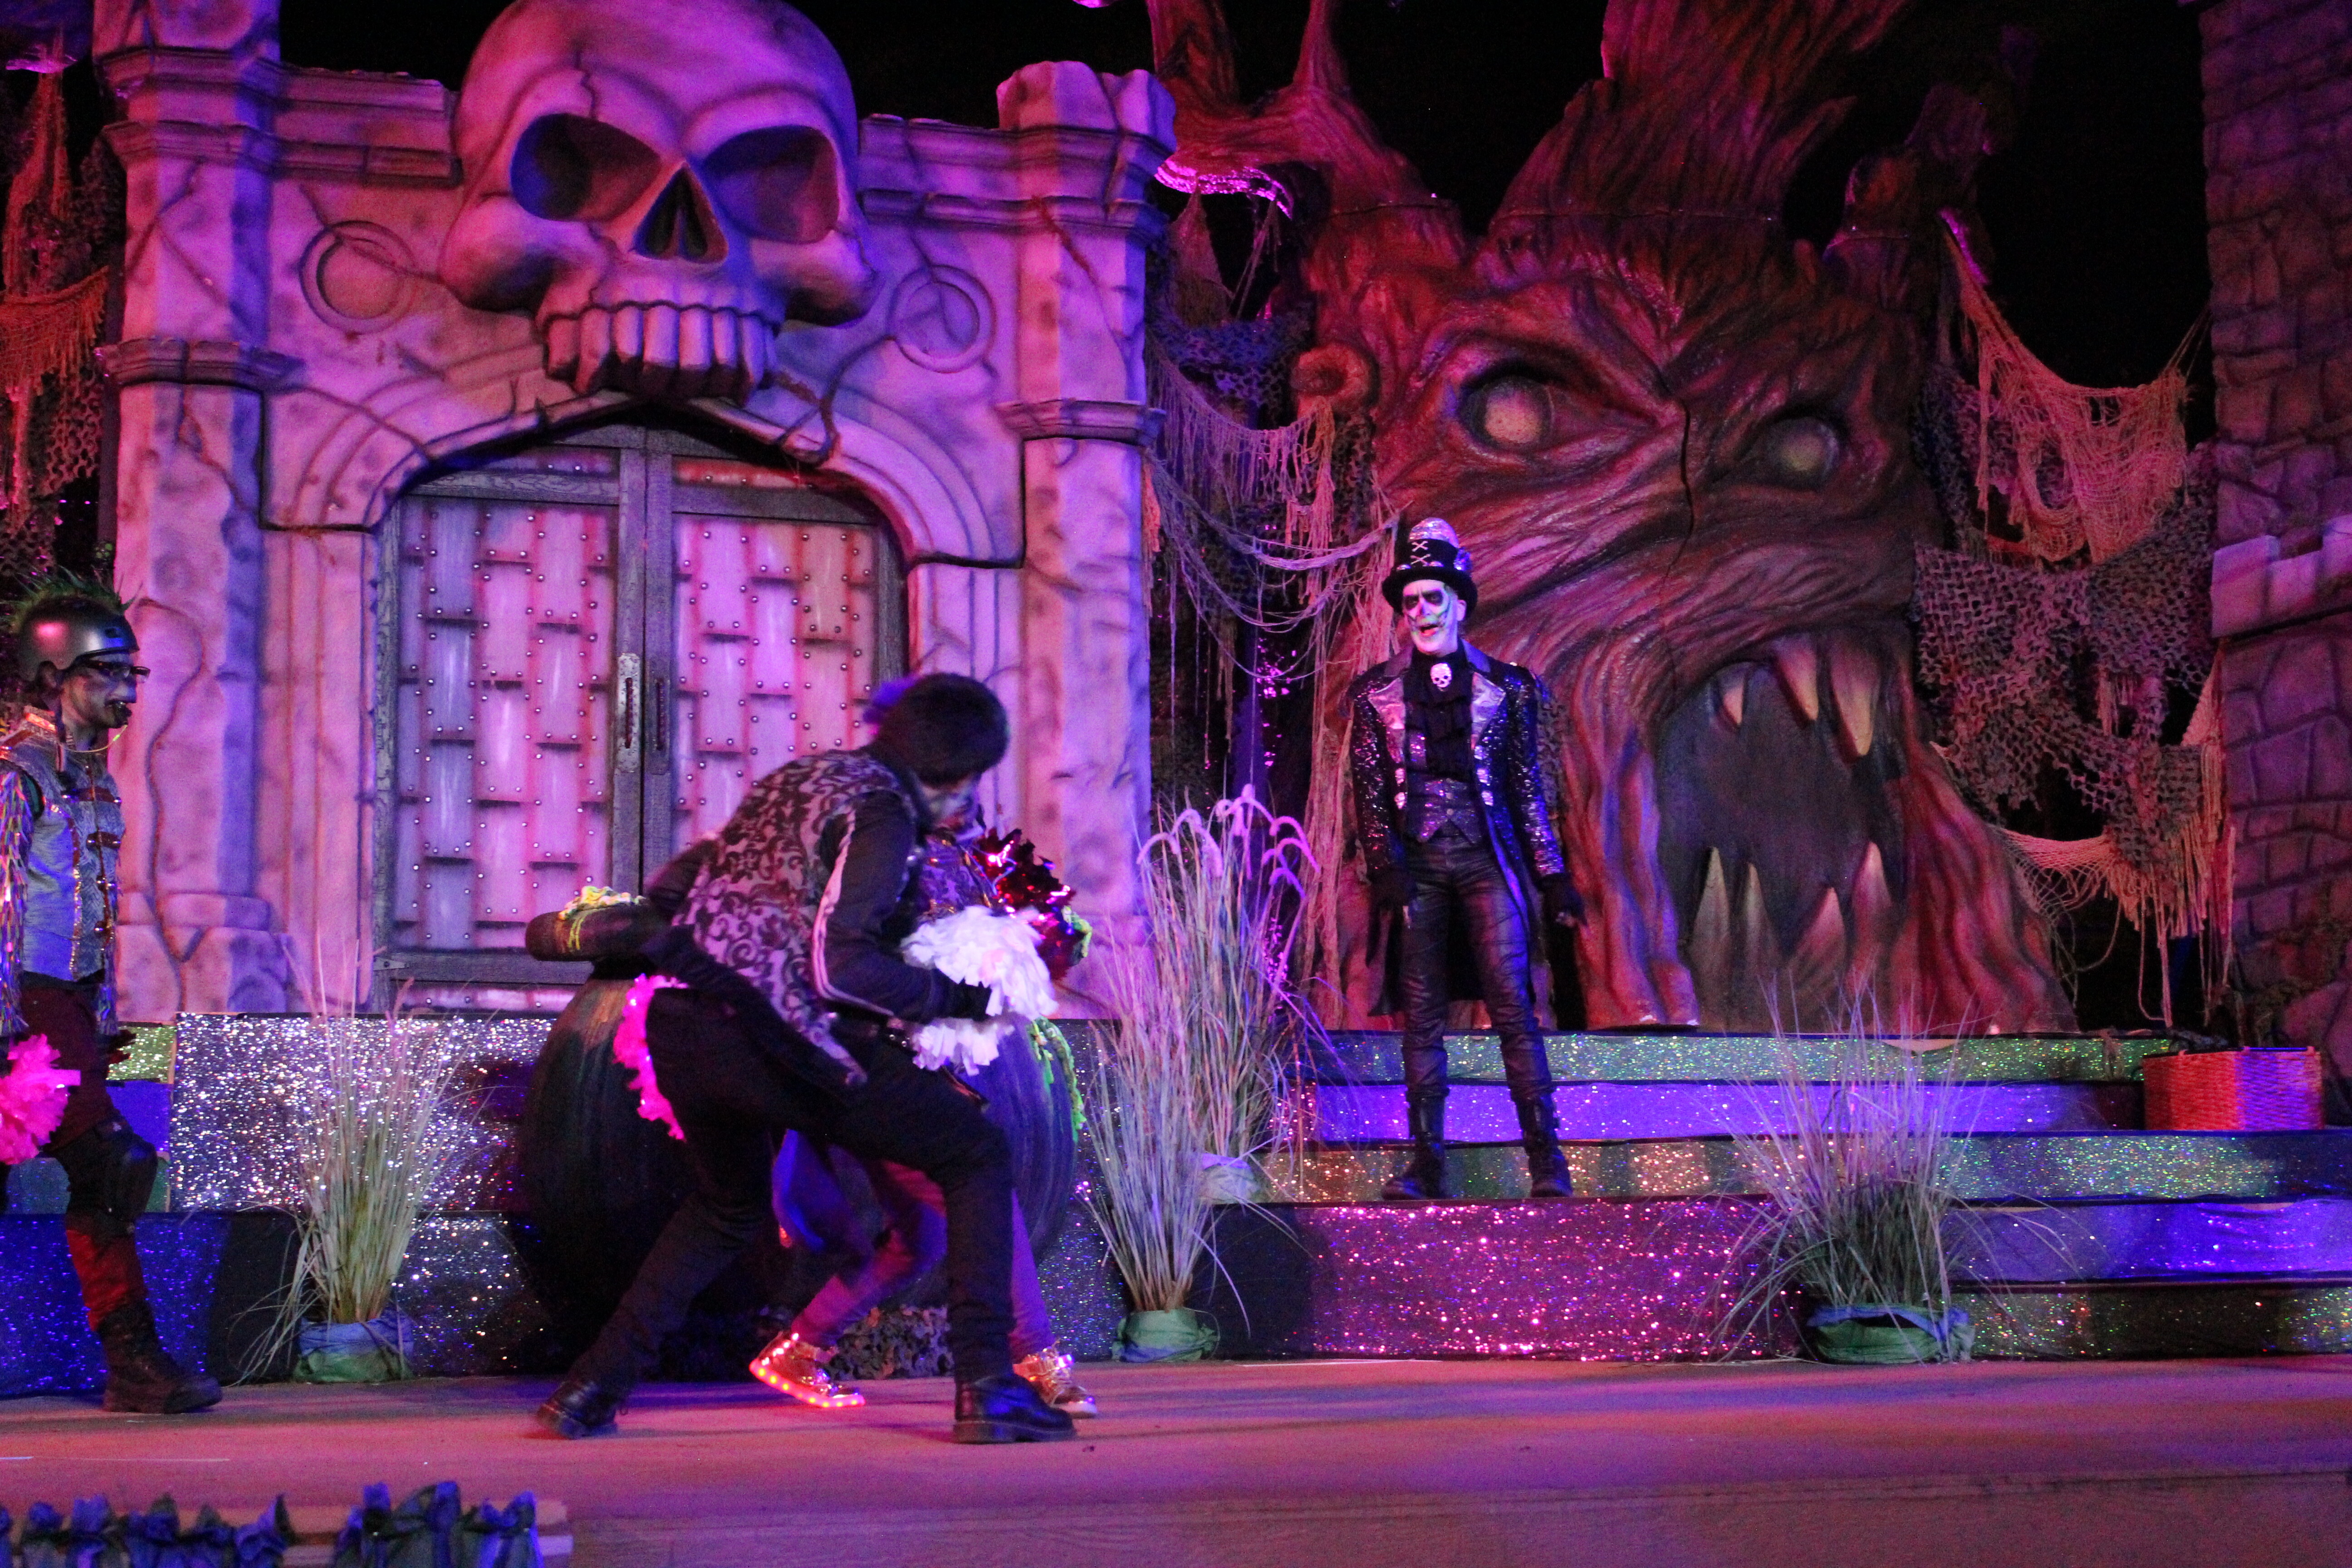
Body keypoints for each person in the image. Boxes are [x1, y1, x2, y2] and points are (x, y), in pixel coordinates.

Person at [535, 673, 1073, 1444]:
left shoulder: (802, 778)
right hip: (783, 1037)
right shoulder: (885, 811)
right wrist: (965, 998)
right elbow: (841, 970)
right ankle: (988, 1389)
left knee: (726, 1208)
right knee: (976, 1155)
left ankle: (588, 1390)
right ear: (957, 777)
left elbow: (678, 885)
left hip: (685, 1024)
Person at [752, 785, 1093, 1418]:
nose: (964, 792)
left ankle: (800, 1348)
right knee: (985, 1188)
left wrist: (1043, 944)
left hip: (913, 1064)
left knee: (921, 1238)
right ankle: (1035, 1356)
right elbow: (854, 971)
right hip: (874, 1067)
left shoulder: (965, 856)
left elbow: (1015, 940)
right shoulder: (884, 858)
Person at [0, 584, 220, 1413]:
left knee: (107, 1175)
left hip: (65, 1002)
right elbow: (2, 901)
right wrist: (5, 1022)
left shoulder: (91, 779)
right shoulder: (17, 774)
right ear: (52, 675)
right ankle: (133, 1360)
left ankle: (132, 1362)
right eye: (107, 673)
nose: (127, 690)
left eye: (133, 673)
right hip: (23, 1001)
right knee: (108, 1161)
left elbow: (91, 907)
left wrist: (102, 1013)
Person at [1347, 519, 1583, 1202]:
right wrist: (1385, 864)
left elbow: (1528, 790)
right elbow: (1369, 791)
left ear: (1458, 603)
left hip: (1486, 861)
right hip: (1419, 866)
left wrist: (1552, 875)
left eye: (1432, 598)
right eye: (1410, 602)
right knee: (1422, 1016)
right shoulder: (1375, 693)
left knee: (1513, 1005)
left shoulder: (1507, 689)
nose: (1420, 612)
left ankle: (1547, 1161)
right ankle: (1428, 1164)